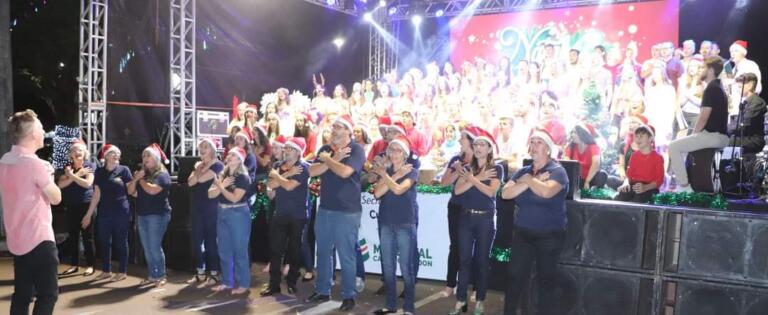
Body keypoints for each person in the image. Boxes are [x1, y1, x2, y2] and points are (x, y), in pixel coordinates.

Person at [501, 129, 569, 315]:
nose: (534, 146)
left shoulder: (558, 171)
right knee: (514, 276)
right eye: (532, 142)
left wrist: (528, 181)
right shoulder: (524, 171)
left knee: (545, 281)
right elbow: (506, 194)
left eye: (539, 142)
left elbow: (546, 193)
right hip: (523, 233)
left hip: (550, 235)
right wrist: (533, 180)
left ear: (548, 149)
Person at [0, 109, 62, 315]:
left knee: (22, 296)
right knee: (48, 295)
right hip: (39, 240)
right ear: (33, 134)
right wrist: (48, 175)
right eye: (41, 127)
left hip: (18, 242)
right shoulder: (35, 165)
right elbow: (56, 197)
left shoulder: (5, 161)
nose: (44, 131)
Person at [305, 115, 366, 312]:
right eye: (333, 127)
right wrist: (330, 160)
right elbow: (312, 171)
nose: (334, 129)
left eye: (339, 127)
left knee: (346, 255)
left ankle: (348, 296)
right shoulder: (325, 149)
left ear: (349, 131)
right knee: (322, 252)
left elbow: (346, 172)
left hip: (347, 211)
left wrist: (329, 161)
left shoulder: (356, 149)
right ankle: (323, 290)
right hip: (325, 209)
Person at [450, 127, 503, 315]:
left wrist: (472, 180)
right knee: (464, 260)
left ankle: (480, 298)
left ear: (489, 149)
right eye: (476, 144)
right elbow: (457, 191)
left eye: (483, 144)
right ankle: (460, 300)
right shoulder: (466, 168)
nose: (478, 147)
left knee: (481, 260)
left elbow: (490, 192)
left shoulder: (497, 169)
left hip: (485, 219)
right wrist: (477, 177)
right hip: (465, 217)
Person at [371, 136, 420, 315]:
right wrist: (392, 175)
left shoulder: (412, 171)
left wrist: (386, 176)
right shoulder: (390, 170)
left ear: (405, 154)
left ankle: (408, 307)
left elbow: (399, 190)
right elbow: (377, 192)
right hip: (386, 223)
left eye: (398, 150)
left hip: (405, 223)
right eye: (391, 150)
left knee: (407, 268)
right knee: (389, 266)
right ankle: (390, 305)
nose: (394, 154)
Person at [668, 57, 730, 193]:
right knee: (683, 145)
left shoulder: (711, 88)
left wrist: (695, 134)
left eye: (703, 68)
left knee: (673, 147)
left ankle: (684, 187)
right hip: (720, 136)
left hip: (713, 136)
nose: (700, 70)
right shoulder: (718, 87)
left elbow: (703, 117)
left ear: (711, 70)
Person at [262, 137, 310, 296]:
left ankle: (291, 283)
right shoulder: (277, 165)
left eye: (289, 148)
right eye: (286, 148)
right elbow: (271, 185)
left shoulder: (303, 167)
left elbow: (289, 187)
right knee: (275, 250)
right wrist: (288, 173)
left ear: (298, 152)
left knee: (294, 251)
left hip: (297, 215)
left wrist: (279, 177)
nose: (285, 150)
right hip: (280, 213)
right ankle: (273, 284)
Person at [209, 147, 253, 295]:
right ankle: (227, 281)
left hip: (238, 212)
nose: (229, 156)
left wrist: (221, 187)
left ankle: (244, 283)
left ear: (239, 159)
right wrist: (221, 186)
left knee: (239, 250)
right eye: (229, 154)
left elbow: (235, 198)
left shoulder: (243, 177)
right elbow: (210, 194)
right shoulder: (222, 174)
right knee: (223, 250)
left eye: (233, 155)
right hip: (222, 211)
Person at [127, 143, 173, 287]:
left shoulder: (162, 175)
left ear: (156, 158)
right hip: (143, 215)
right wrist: (135, 179)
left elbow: (153, 190)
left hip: (158, 215)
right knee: (147, 248)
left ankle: (161, 275)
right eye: (143, 156)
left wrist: (140, 180)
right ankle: (153, 275)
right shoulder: (142, 175)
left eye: (148, 155)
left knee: (154, 246)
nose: (145, 158)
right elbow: (130, 192)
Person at [85, 144, 132, 282]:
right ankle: (106, 270)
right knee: (104, 241)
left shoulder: (124, 170)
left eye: (118, 152)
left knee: (121, 241)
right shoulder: (99, 172)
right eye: (113, 152)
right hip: (105, 211)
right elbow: (96, 194)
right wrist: (88, 214)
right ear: (105, 156)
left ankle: (122, 271)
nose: (116, 154)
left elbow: (131, 190)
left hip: (121, 211)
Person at [439, 125, 476, 297]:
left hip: (474, 207)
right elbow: (444, 182)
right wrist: (457, 170)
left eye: (462, 137)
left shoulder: (480, 160)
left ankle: (475, 286)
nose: (459, 139)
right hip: (455, 207)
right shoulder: (456, 158)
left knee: (474, 247)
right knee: (455, 246)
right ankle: (450, 284)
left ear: (471, 141)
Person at [187, 138, 224, 284]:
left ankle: (214, 272)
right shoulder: (199, 166)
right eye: (201, 146)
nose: (202, 149)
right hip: (197, 206)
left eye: (206, 146)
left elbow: (200, 180)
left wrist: (198, 172)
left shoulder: (218, 165)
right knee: (196, 240)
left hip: (212, 207)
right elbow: (190, 182)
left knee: (211, 241)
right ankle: (200, 271)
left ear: (213, 150)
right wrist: (198, 170)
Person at [57, 139, 96, 277]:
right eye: (74, 151)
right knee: (73, 237)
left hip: (86, 205)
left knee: (87, 238)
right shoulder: (67, 167)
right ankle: (74, 265)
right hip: (71, 206)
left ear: (84, 153)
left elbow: (88, 183)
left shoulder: (89, 165)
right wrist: (76, 175)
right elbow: (60, 185)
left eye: (79, 150)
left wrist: (72, 176)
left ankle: (91, 266)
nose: (77, 152)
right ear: (71, 155)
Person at [615, 125, 664, 203]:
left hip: (649, 188)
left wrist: (645, 187)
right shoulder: (634, 156)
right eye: (636, 136)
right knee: (620, 197)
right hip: (634, 185)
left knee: (639, 198)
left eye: (641, 136)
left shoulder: (658, 157)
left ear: (651, 138)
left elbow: (659, 180)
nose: (638, 139)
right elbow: (629, 175)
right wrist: (626, 183)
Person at [729, 73, 767, 154]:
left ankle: (729, 164)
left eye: (740, 87)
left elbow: (743, 123)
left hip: (754, 140)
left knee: (730, 141)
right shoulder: (746, 102)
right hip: (745, 137)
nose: (738, 89)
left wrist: (727, 129)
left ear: (750, 86)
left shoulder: (757, 102)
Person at [564, 123, 607, 189]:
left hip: (590, 178)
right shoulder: (571, 147)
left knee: (602, 175)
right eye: (572, 132)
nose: (572, 135)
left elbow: (596, 163)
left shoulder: (593, 147)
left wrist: (587, 181)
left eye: (575, 133)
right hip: (576, 179)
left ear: (583, 134)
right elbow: (566, 163)